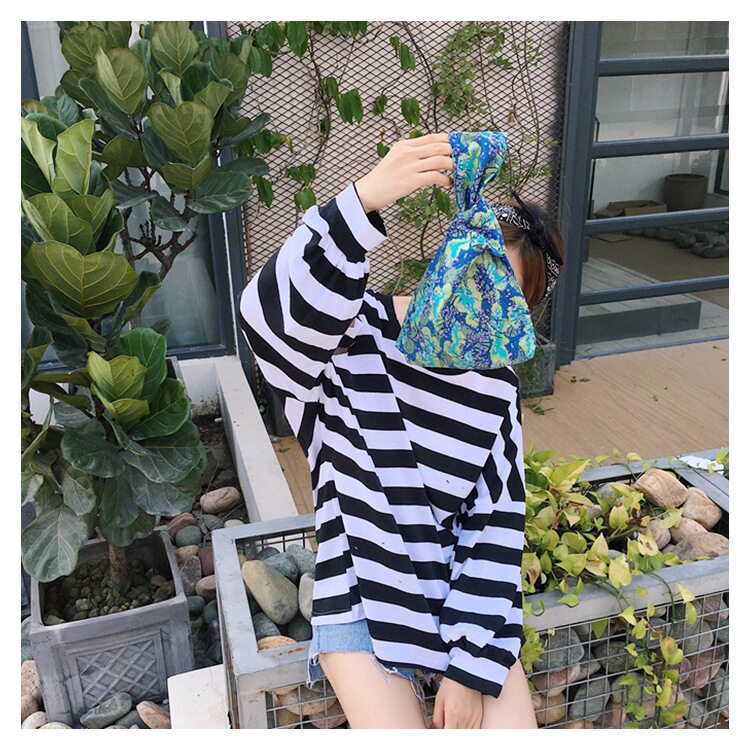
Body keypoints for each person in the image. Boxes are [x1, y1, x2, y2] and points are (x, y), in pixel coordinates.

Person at [237, 132, 565, 729]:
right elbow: (266, 321)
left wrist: (468, 670)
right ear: (452, 250)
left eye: (508, 300)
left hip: (461, 601)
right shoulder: (351, 334)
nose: (482, 305)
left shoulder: (495, 384)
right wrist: (361, 201)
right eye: (479, 273)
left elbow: (493, 527)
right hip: (362, 591)